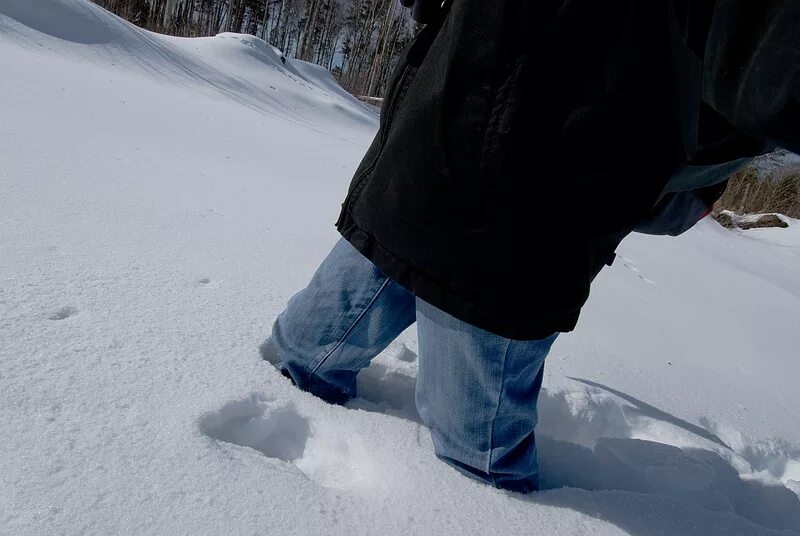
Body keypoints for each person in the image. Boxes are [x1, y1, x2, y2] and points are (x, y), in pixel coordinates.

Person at [266, 0, 800, 493]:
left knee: (305, 355)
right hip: (523, 200)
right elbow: (766, 71)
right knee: (478, 467)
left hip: (443, 136)